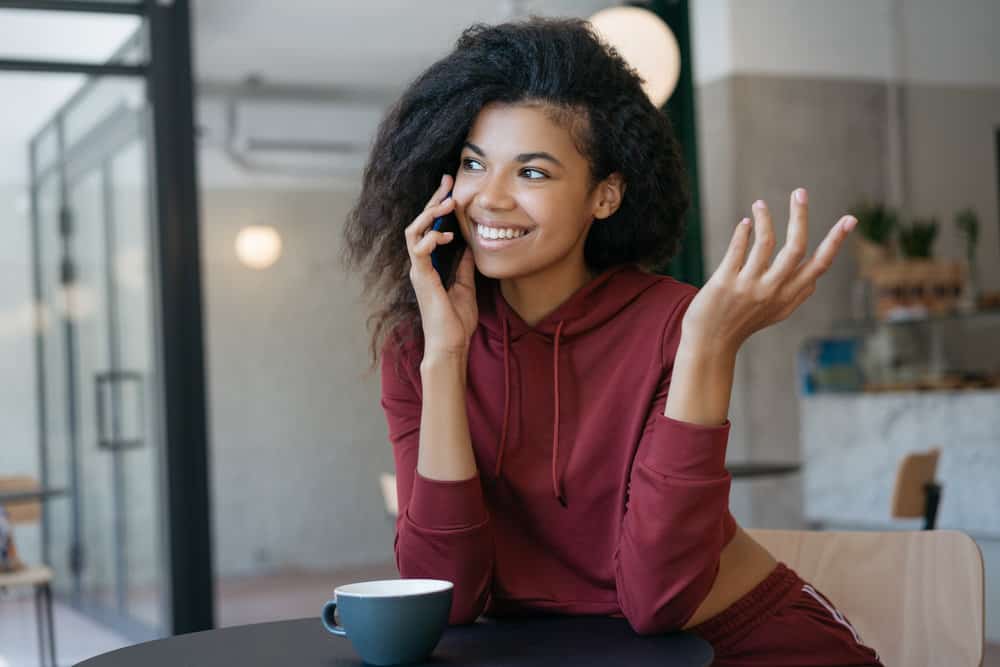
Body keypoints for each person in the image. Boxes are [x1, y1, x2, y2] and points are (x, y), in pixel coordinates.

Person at [341, 15, 882, 667]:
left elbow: (660, 600)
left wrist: (706, 345)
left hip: (740, 642)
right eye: (473, 163)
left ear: (605, 195)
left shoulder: (676, 323)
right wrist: (445, 356)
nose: (490, 198)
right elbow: (447, 597)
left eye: (532, 173)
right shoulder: (420, 346)